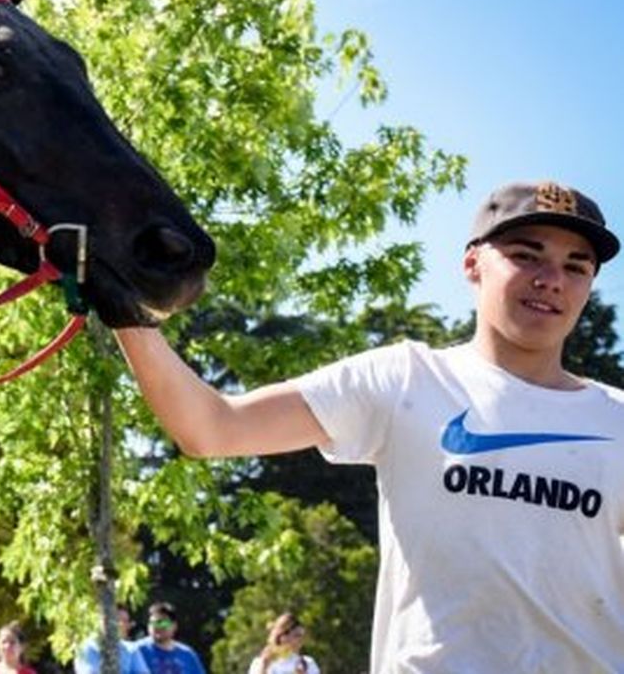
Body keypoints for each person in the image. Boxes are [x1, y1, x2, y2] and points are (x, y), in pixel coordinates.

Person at [114, 180, 624, 671]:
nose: (552, 279)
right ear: (472, 263)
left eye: (576, 266)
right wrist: (124, 308)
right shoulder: (404, 379)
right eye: (526, 255)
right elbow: (214, 428)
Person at [74, 603, 148, 674]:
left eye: (126, 621)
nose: (125, 626)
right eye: (119, 620)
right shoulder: (88, 648)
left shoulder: (130, 649)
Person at [135, 602, 204, 674]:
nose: (157, 627)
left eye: (163, 623)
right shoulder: (136, 651)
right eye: (153, 623)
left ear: (174, 626)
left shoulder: (187, 655)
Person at [247, 612, 318, 674]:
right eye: (297, 635)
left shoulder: (308, 663)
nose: (301, 639)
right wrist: (264, 668)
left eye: (302, 635)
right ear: (283, 636)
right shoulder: (260, 663)